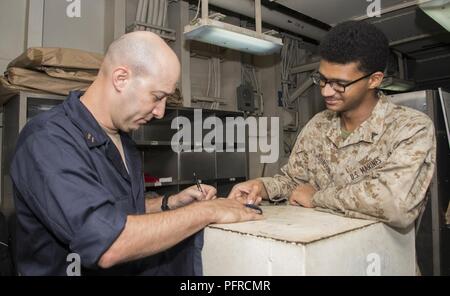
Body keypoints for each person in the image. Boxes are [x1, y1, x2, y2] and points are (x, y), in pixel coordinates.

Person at [10, 31, 262, 276]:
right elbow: (108, 242)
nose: (161, 112)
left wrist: (169, 203)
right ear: (121, 78)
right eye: (157, 97)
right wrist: (210, 210)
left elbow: (112, 208)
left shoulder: (122, 138)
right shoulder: (49, 140)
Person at [228, 20, 436, 229]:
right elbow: (294, 182)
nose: (326, 91)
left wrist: (318, 198)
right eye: (323, 79)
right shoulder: (319, 125)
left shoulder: (410, 128)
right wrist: (261, 187)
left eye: (340, 84)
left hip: (378, 257)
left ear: (374, 80)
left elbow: (393, 204)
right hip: (322, 253)